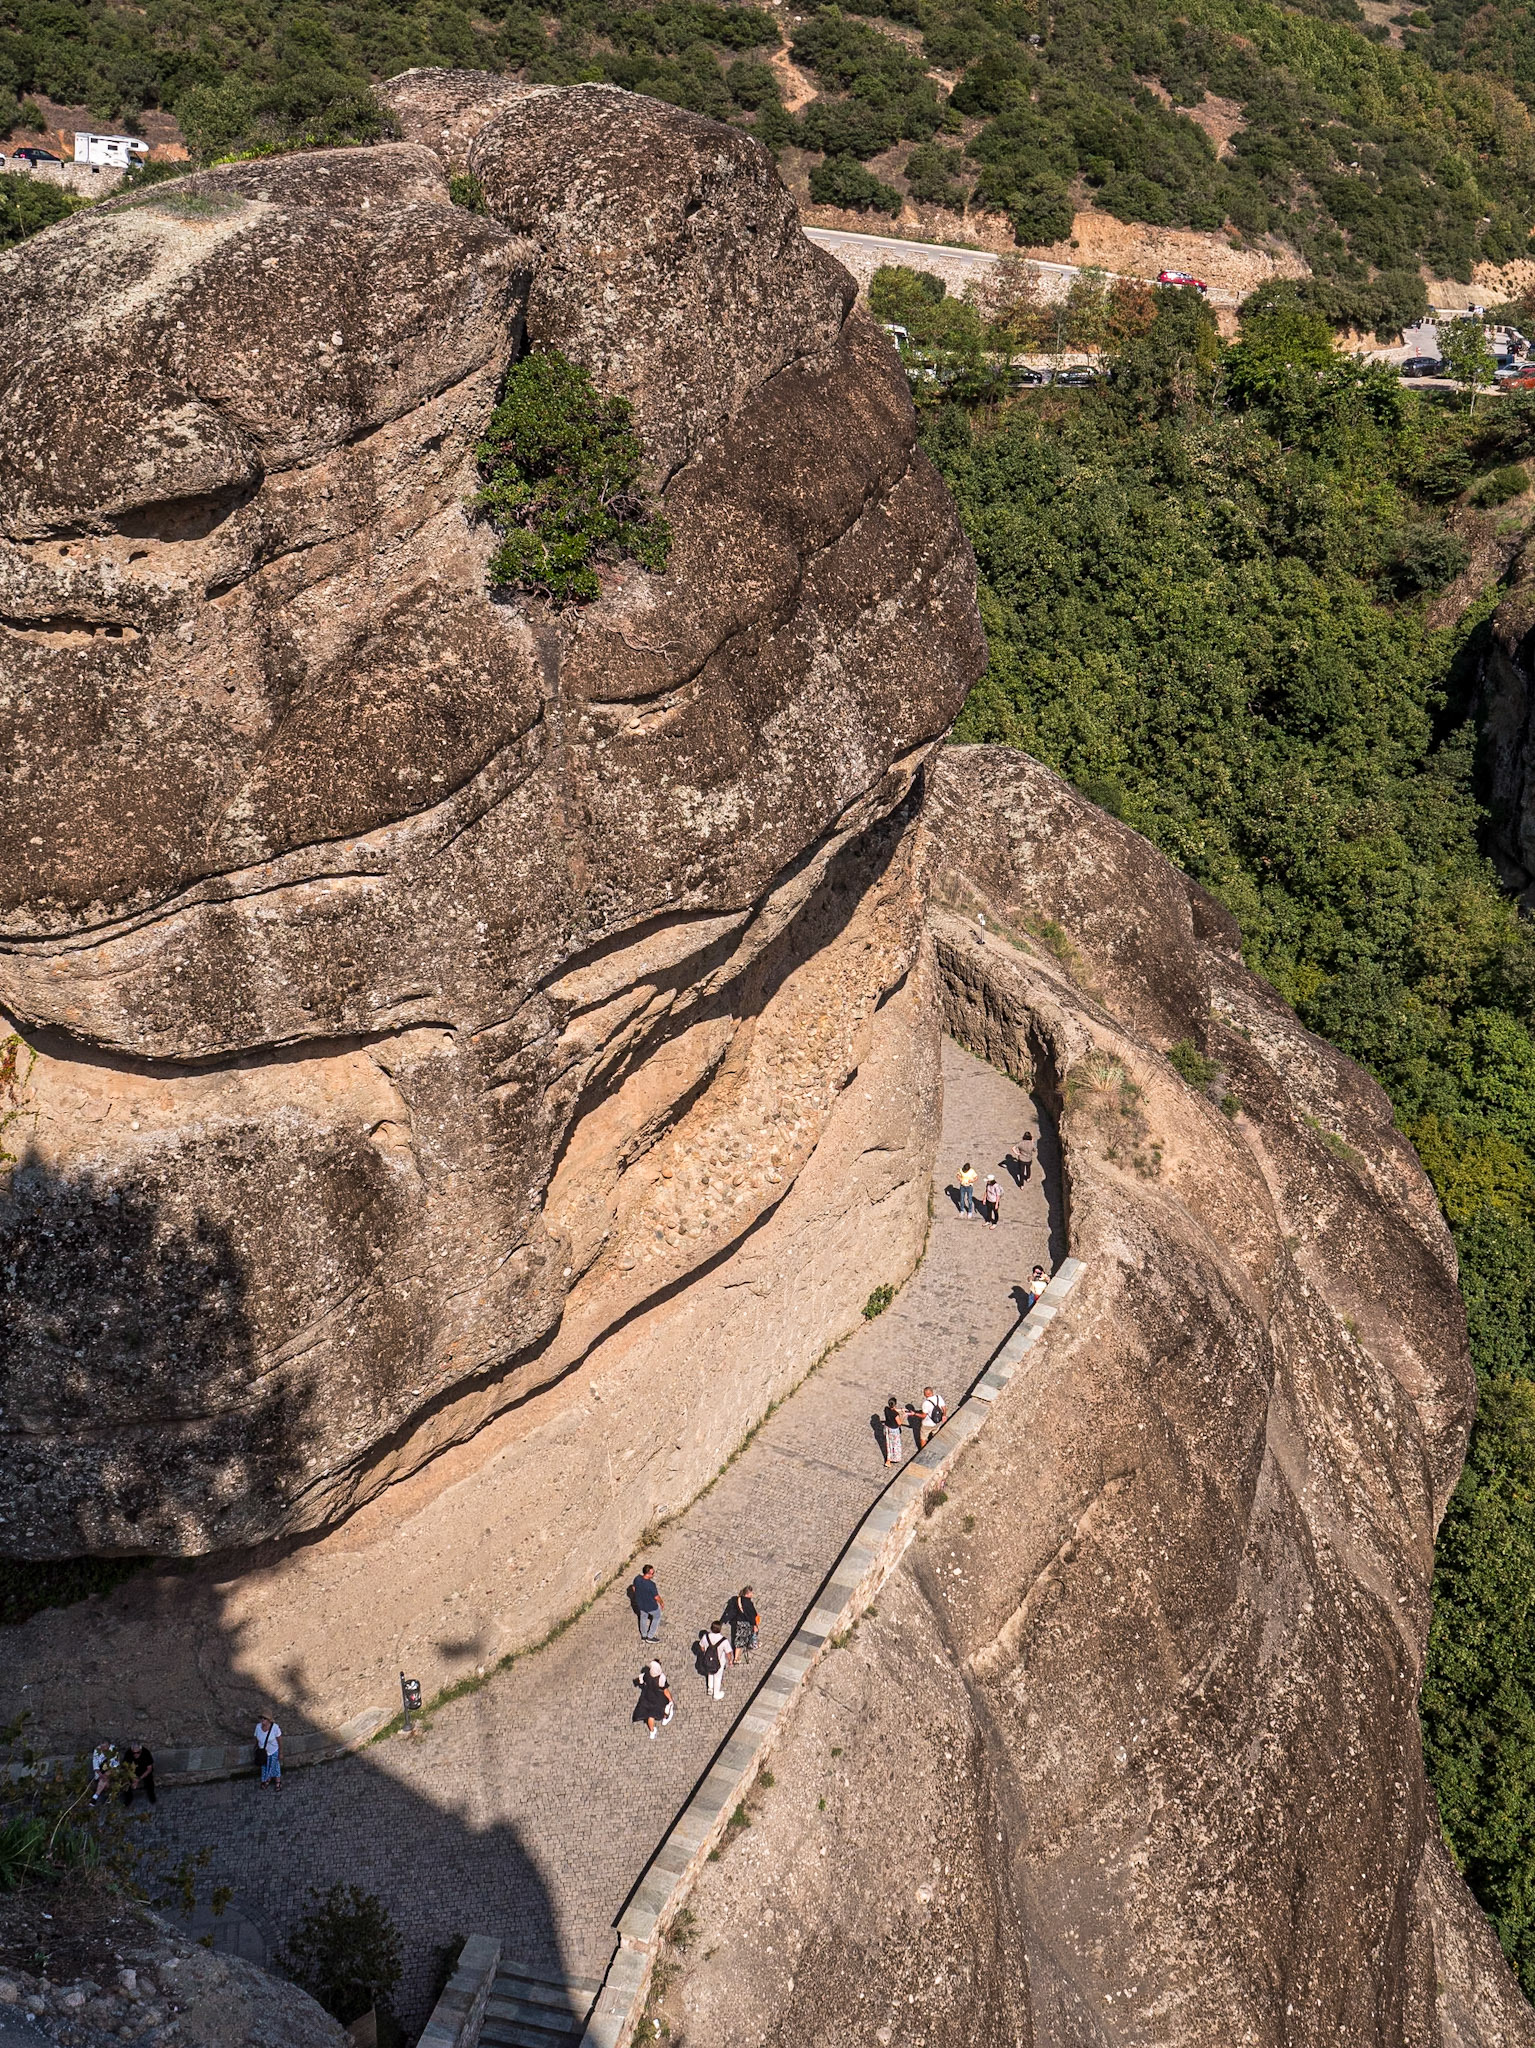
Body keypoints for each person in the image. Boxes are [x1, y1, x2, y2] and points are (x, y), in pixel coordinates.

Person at [722, 1586, 761, 1666]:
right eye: (751, 1593)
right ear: (747, 1594)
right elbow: (751, 1615)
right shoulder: (748, 1603)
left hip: (738, 1622)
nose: (752, 1594)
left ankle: (736, 1657)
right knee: (746, 1637)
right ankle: (751, 1645)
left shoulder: (737, 1599)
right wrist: (754, 1625)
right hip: (745, 1623)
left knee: (739, 1639)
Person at [633, 1661, 673, 1739]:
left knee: (650, 1715)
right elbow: (665, 1690)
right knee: (665, 1707)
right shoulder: (661, 1678)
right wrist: (670, 1700)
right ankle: (665, 1718)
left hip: (648, 1697)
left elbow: (640, 1681)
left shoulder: (647, 1675)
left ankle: (652, 1731)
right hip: (658, 1697)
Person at [629, 1563, 665, 1641]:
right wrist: (661, 1602)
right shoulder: (651, 1585)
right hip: (651, 1606)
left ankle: (644, 1635)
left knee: (643, 1617)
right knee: (657, 1616)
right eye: (652, 1573)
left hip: (640, 1604)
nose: (653, 1575)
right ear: (648, 1574)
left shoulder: (637, 1578)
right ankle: (650, 1636)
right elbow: (656, 1597)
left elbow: (634, 1588)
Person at [696, 1621, 730, 1702]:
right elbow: (728, 1652)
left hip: (708, 1659)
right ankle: (716, 1694)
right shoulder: (723, 1640)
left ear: (711, 1628)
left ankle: (710, 1688)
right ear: (720, 1629)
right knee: (717, 1677)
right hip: (719, 1661)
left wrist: (705, 1653)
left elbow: (701, 1647)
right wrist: (730, 1661)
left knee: (710, 1672)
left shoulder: (705, 1637)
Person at [912, 1386, 947, 1450]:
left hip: (927, 1424)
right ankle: (934, 1446)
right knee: (935, 1433)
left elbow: (923, 1416)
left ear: (926, 1394)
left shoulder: (925, 1403)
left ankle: (922, 1451)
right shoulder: (938, 1397)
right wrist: (944, 1415)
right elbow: (944, 1407)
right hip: (937, 1422)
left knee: (923, 1438)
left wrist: (915, 1414)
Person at [122, 1742, 156, 1807]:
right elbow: (126, 1768)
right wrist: (133, 1778)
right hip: (132, 1771)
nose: (135, 1754)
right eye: (134, 1753)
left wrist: (139, 1779)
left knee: (149, 1780)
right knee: (125, 1781)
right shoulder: (128, 1753)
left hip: (144, 1771)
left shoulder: (146, 1753)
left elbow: (149, 1769)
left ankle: (151, 1795)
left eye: (137, 1753)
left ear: (140, 1750)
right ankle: (128, 1798)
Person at [254, 1714, 282, 1788]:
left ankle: (277, 1781)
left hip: (273, 1751)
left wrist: (280, 1752)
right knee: (264, 1766)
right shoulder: (258, 1727)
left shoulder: (275, 1727)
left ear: (269, 1720)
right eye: (261, 1718)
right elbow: (257, 1738)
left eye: (265, 1718)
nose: (262, 1720)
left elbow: (279, 1741)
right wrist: (256, 1747)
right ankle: (267, 1780)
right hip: (263, 1752)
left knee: (274, 1766)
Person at [882, 1394, 904, 1466]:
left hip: (887, 1428)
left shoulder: (886, 1409)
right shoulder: (895, 1414)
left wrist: (900, 1410)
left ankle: (888, 1460)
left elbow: (892, 1409)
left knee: (889, 1444)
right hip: (894, 1430)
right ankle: (894, 1458)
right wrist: (903, 1416)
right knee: (895, 1444)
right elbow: (899, 1423)